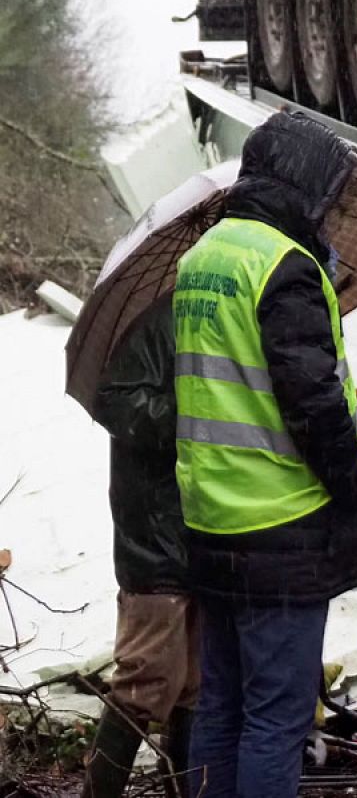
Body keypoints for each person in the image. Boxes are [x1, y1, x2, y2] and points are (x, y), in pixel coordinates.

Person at [174, 112, 357, 798]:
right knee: (275, 721)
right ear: (305, 187)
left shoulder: (204, 257)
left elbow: (241, 381)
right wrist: (355, 481)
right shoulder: (283, 266)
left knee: (221, 708)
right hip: (281, 528)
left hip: (211, 521)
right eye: (334, 200)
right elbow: (312, 404)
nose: (335, 217)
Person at [83, 300, 196, 798]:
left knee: (196, 680)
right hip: (155, 538)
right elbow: (118, 404)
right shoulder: (157, 325)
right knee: (147, 676)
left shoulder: (212, 321)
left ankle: (189, 788)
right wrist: (195, 406)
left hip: (203, 534)